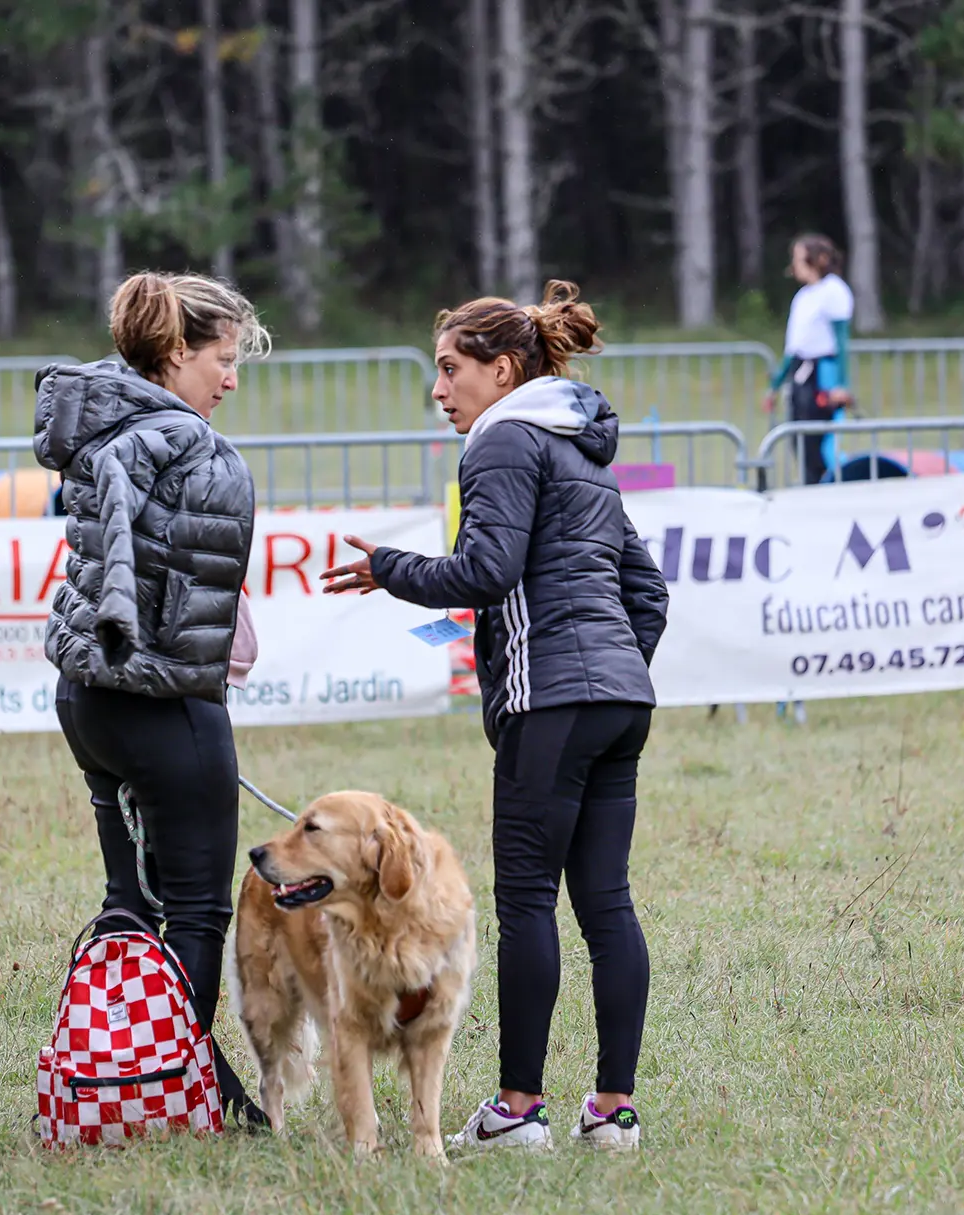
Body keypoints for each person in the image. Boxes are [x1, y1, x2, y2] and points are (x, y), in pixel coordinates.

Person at [323, 281, 668, 1153]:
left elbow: (484, 570)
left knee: (525, 907)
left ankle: (517, 1110)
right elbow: (647, 594)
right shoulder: (578, 447)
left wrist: (390, 567)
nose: (439, 390)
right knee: (607, 905)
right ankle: (614, 1113)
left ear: (502, 369)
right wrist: (613, 672)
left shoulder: (503, 440)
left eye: (450, 369)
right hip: (620, 702)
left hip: (550, 703)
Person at [33, 271, 272, 1128]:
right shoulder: (191, 447)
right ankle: (174, 1088)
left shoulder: (101, 421)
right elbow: (155, 565)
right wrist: (139, 625)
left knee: (130, 902)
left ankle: (103, 1068)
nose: (231, 378)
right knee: (200, 909)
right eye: (222, 357)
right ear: (176, 354)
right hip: (158, 694)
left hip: (87, 698)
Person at [764, 234, 856, 485]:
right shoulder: (803, 296)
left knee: (818, 443)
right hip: (800, 373)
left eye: (799, 258)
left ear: (820, 259)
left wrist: (841, 385)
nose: (795, 265)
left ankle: (829, 489)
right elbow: (794, 348)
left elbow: (841, 342)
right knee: (799, 441)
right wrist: (775, 385)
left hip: (822, 374)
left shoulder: (834, 291)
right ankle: (811, 488)